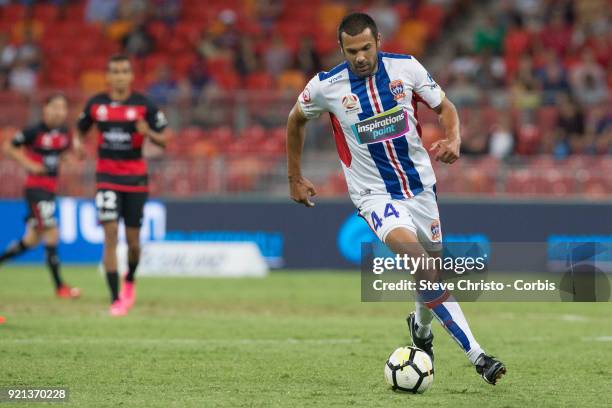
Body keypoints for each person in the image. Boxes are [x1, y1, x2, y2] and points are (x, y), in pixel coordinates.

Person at [286, 13, 506, 385]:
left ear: (379, 41)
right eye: (352, 50)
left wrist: (453, 139)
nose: (359, 57)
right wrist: (295, 177)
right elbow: (295, 120)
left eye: (366, 48)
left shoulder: (407, 69)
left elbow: (446, 108)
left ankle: (420, 331)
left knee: (431, 269)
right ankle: (478, 356)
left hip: (420, 188)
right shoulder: (326, 86)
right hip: (373, 195)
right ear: (341, 49)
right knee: (421, 263)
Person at [74, 54, 168, 316]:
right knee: (111, 233)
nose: (119, 76)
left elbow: (164, 140)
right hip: (106, 177)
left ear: (130, 76)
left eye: (124, 71)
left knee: (133, 242)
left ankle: (130, 280)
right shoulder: (96, 104)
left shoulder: (144, 105)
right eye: (114, 71)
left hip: (136, 178)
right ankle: (115, 299)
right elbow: (80, 129)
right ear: (108, 76)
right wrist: (78, 143)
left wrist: (146, 132)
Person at [0, 93, 80, 299]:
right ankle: (60, 287)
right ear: (45, 108)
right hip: (36, 189)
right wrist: (30, 165)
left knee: (32, 240)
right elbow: (8, 147)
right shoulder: (33, 131)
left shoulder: (64, 133)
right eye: (55, 107)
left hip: (50, 190)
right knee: (52, 233)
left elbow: (61, 154)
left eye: (62, 108)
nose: (59, 112)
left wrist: (67, 159)